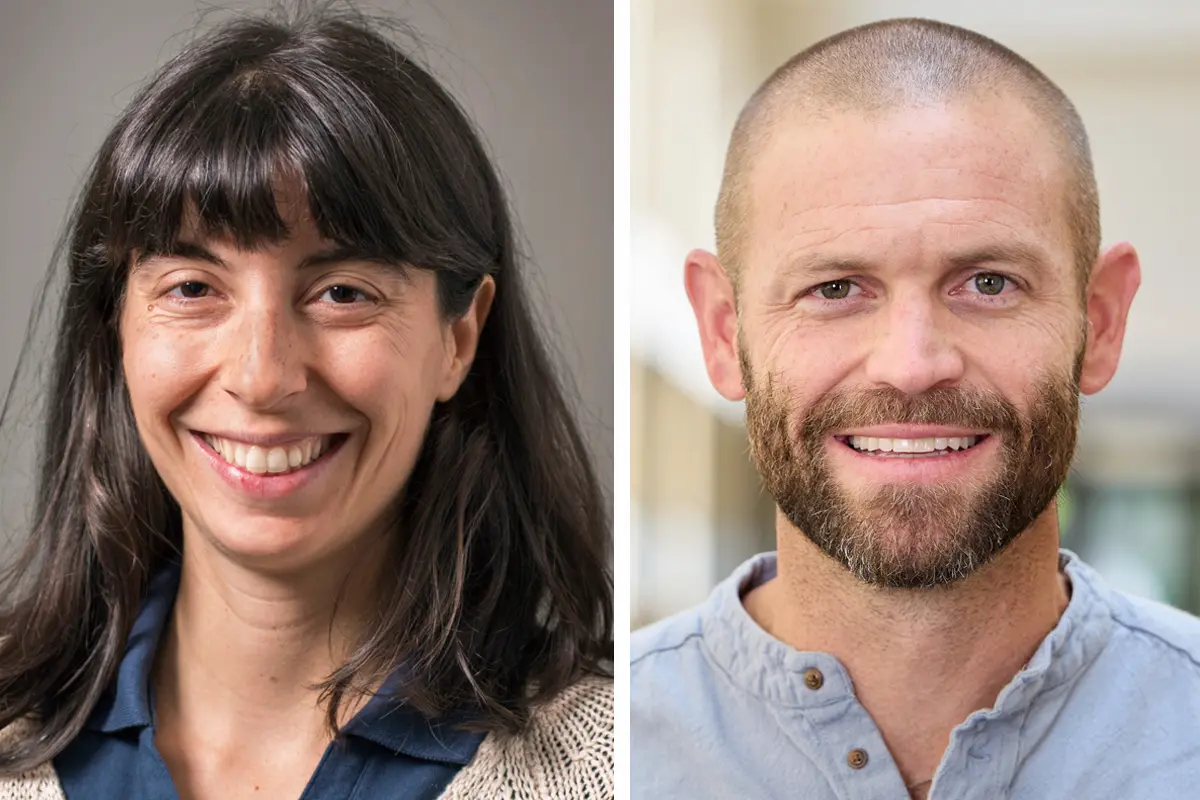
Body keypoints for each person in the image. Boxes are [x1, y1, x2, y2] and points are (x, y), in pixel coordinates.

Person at [0, 5, 613, 799]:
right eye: (192, 288)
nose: (261, 376)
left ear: (459, 338)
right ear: (115, 326)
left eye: (342, 293)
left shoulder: (605, 767)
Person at [631, 17, 1199, 800]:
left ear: (1099, 321)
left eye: (989, 283)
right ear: (724, 333)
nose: (911, 364)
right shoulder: (595, 755)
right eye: (835, 289)